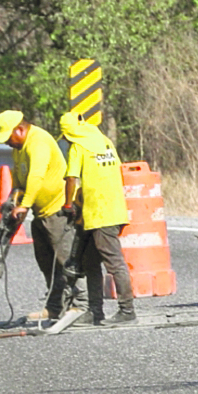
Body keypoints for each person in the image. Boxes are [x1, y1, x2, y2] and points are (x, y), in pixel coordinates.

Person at [0, 109, 78, 320]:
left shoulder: (38, 142)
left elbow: (37, 175)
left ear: (20, 130)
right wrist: (16, 199)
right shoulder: (19, 148)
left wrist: (25, 205)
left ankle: (78, 305)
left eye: (9, 137)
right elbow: (20, 177)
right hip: (41, 213)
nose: (7, 143)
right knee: (45, 260)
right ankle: (55, 306)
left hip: (57, 210)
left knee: (65, 259)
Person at [59, 111, 135, 326]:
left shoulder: (78, 147)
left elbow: (72, 178)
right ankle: (95, 311)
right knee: (91, 263)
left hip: (100, 214)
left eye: (65, 135)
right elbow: (117, 171)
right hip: (114, 209)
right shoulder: (104, 140)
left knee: (114, 263)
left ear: (69, 133)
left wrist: (68, 204)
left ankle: (127, 311)